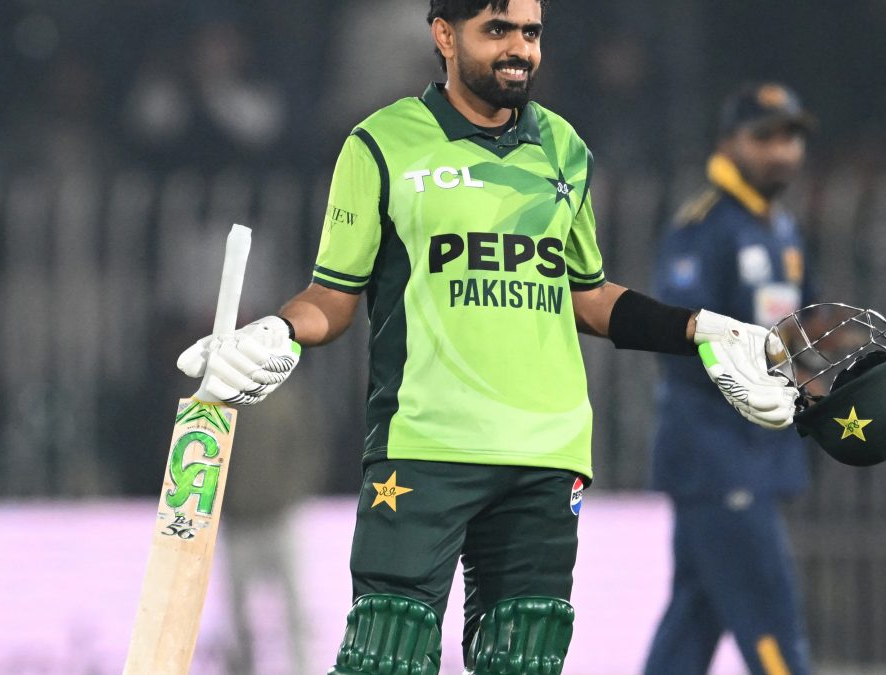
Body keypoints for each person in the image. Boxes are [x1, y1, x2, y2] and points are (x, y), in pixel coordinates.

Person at [175, 3, 796, 672]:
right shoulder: (381, 143)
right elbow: (334, 295)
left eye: (531, 33)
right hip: (424, 445)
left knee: (525, 657)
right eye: (496, 30)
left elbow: (586, 293)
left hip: (545, 450)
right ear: (445, 35)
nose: (520, 49)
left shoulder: (564, 147)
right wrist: (280, 332)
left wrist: (694, 327)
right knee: (386, 653)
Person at [642, 82, 818, 675]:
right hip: (716, 457)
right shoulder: (705, 227)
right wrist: (756, 380)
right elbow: (677, 339)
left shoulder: (782, 230)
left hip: (755, 457)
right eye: (764, 137)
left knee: (693, 622)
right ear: (729, 144)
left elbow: (802, 332)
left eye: (790, 137)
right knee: (771, 620)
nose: (781, 151)